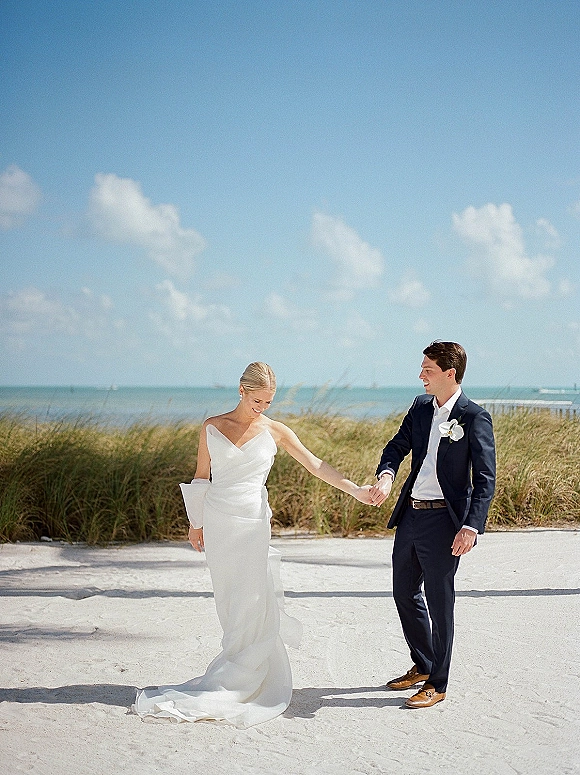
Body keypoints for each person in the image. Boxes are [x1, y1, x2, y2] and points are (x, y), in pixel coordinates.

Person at [133, 362, 373, 728]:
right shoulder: (212, 426)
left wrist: (356, 490)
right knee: (228, 598)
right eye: (257, 400)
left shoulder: (276, 431)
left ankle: (248, 672)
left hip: (253, 522)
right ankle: (233, 661)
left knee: (254, 595)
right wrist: (194, 524)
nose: (262, 407)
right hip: (218, 521)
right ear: (241, 390)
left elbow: (315, 465)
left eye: (269, 401)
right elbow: (201, 476)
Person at [369, 341, 495, 708]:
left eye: (428, 369)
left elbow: (486, 479)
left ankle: (438, 684)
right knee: (404, 592)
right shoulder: (421, 407)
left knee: (440, 602)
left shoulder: (474, 417)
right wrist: (387, 475)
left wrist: (471, 527)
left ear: (449, 373)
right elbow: (396, 446)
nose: (421, 375)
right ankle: (423, 664)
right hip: (411, 513)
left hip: (446, 520)